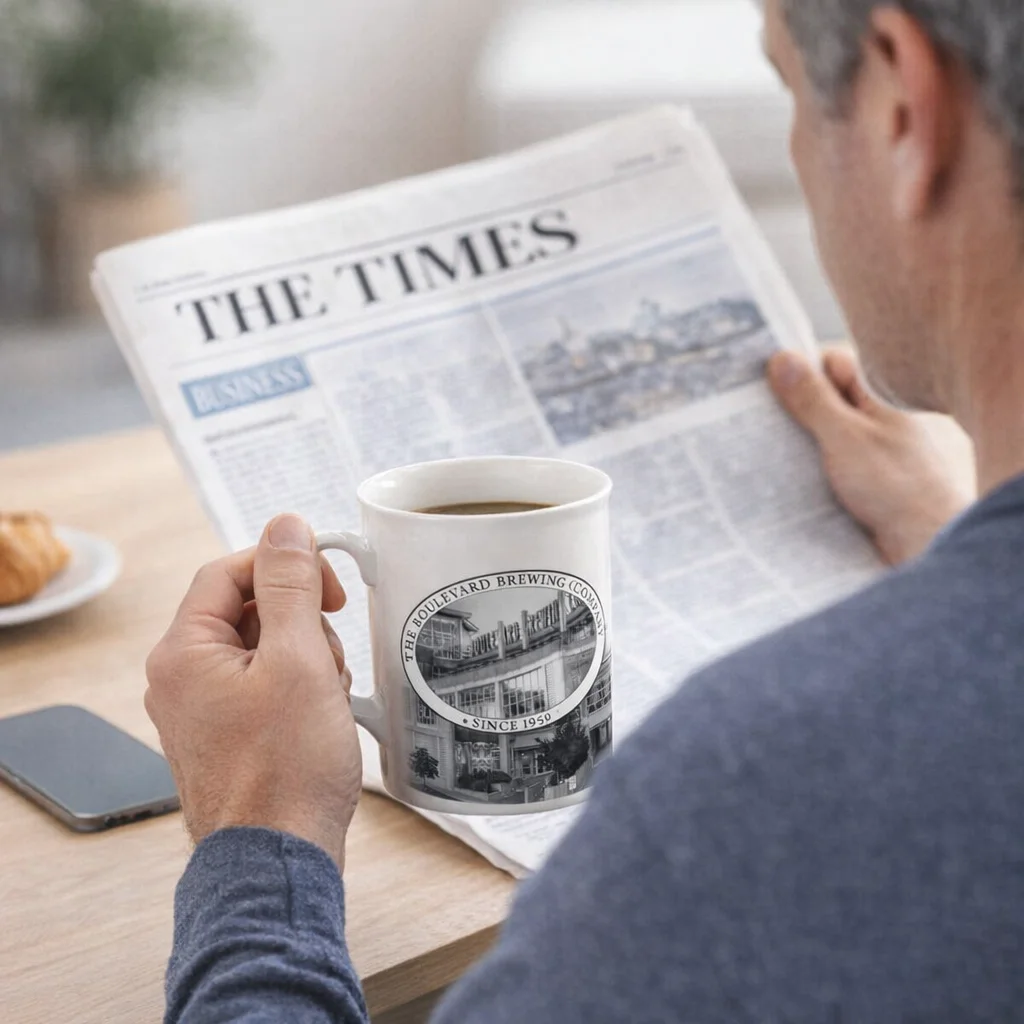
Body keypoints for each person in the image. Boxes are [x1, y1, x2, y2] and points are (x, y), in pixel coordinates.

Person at [145, 0, 1024, 1019]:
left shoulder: (745, 791)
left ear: (901, 107)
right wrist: (956, 547)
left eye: (788, 89)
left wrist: (258, 833)